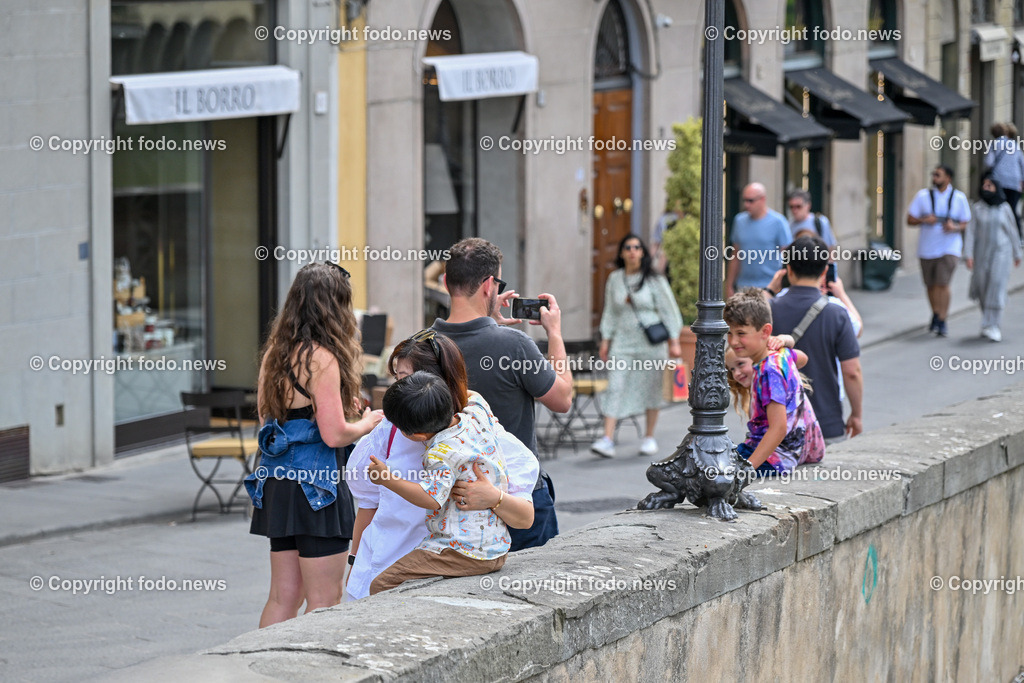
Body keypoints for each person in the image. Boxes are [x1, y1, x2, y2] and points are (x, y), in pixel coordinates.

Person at [345, 330, 539, 600]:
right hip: (381, 561)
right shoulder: (392, 427)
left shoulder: (475, 430)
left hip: (446, 562)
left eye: (408, 380)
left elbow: (525, 517)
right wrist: (354, 560)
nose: (399, 389)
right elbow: (368, 502)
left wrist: (494, 498)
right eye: (397, 379)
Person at [245, 262, 383, 627]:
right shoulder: (322, 357)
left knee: (282, 597)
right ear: (334, 307)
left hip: (277, 485)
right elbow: (334, 435)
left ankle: (261, 668)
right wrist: (366, 423)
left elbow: (268, 421)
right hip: (317, 488)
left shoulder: (275, 353)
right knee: (325, 599)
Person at [432, 237, 569, 551]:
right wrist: (555, 333)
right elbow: (562, 398)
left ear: (444, 282)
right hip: (515, 499)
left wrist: (488, 319)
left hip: (452, 499)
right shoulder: (513, 345)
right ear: (489, 285)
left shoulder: (424, 346)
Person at [366, 372, 512, 594]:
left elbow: (431, 498)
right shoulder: (475, 414)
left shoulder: (441, 453)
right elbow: (474, 395)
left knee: (382, 584)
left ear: (416, 436)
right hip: (495, 546)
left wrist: (385, 478)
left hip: (463, 550)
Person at [590, 234, 683, 458]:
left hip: (650, 344)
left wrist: (675, 342)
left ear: (643, 252)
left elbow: (669, 311)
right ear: (622, 253)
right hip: (622, 342)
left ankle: (649, 437)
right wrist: (606, 340)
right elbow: (610, 312)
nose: (633, 251)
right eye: (628, 247)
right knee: (615, 385)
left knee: (652, 388)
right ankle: (607, 438)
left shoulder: (654, 280)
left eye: (637, 247)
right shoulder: (615, 279)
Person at [764, 236, 862, 445]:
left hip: (777, 427)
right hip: (826, 423)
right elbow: (852, 372)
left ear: (788, 269)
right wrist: (856, 414)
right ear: (824, 271)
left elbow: (747, 323)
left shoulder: (770, 309)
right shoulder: (837, 313)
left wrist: (770, 291)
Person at [724, 289, 825, 474]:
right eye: (729, 333)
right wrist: (786, 341)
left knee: (714, 471)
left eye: (740, 333)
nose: (733, 341)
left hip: (777, 458)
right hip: (799, 450)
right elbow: (802, 359)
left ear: (765, 332)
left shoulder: (768, 372)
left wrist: (747, 469)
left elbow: (778, 428)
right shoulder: (780, 355)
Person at [906, 165, 971, 337]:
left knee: (943, 283)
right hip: (927, 248)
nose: (934, 178)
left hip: (949, 247)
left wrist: (954, 227)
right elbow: (910, 219)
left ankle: (942, 319)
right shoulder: (923, 196)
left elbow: (966, 222)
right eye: (933, 175)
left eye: (938, 175)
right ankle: (935, 313)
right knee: (930, 285)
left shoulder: (958, 198)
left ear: (948, 178)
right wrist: (923, 220)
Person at [965, 173, 1023, 342]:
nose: (986, 188)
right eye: (984, 185)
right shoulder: (977, 208)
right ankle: (986, 322)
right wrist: (968, 255)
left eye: (990, 186)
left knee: (996, 288)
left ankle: (994, 325)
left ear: (996, 188)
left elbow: (1013, 231)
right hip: (981, 254)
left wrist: (1017, 253)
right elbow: (970, 233)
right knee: (983, 289)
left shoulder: (1004, 208)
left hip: (1001, 253)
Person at [725, 182, 792, 298]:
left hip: (769, 287)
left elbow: (788, 256)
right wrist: (729, 285)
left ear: (762, 199)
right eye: (744, 200)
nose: (746, 204)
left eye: (750, 200)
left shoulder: (778, 222)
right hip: (743, 287)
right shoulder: (739, 221)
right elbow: (735, 254)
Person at [725, 339, 809, 420]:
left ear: (756, 357)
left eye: (740, 364)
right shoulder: (756, 389)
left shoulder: (771, 379)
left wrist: (782, 339)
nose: (736, 373)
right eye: (732, 369)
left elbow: (803, 358)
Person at [984, 122, 1024, 241]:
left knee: (998, 207)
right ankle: (1018, 236)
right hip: (1014, 182)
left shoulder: (994, 144)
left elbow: (988, 162)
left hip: (999, 181)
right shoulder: (1015, 145)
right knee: (1012, 208)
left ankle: (999, 234)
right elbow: (1022, 163)